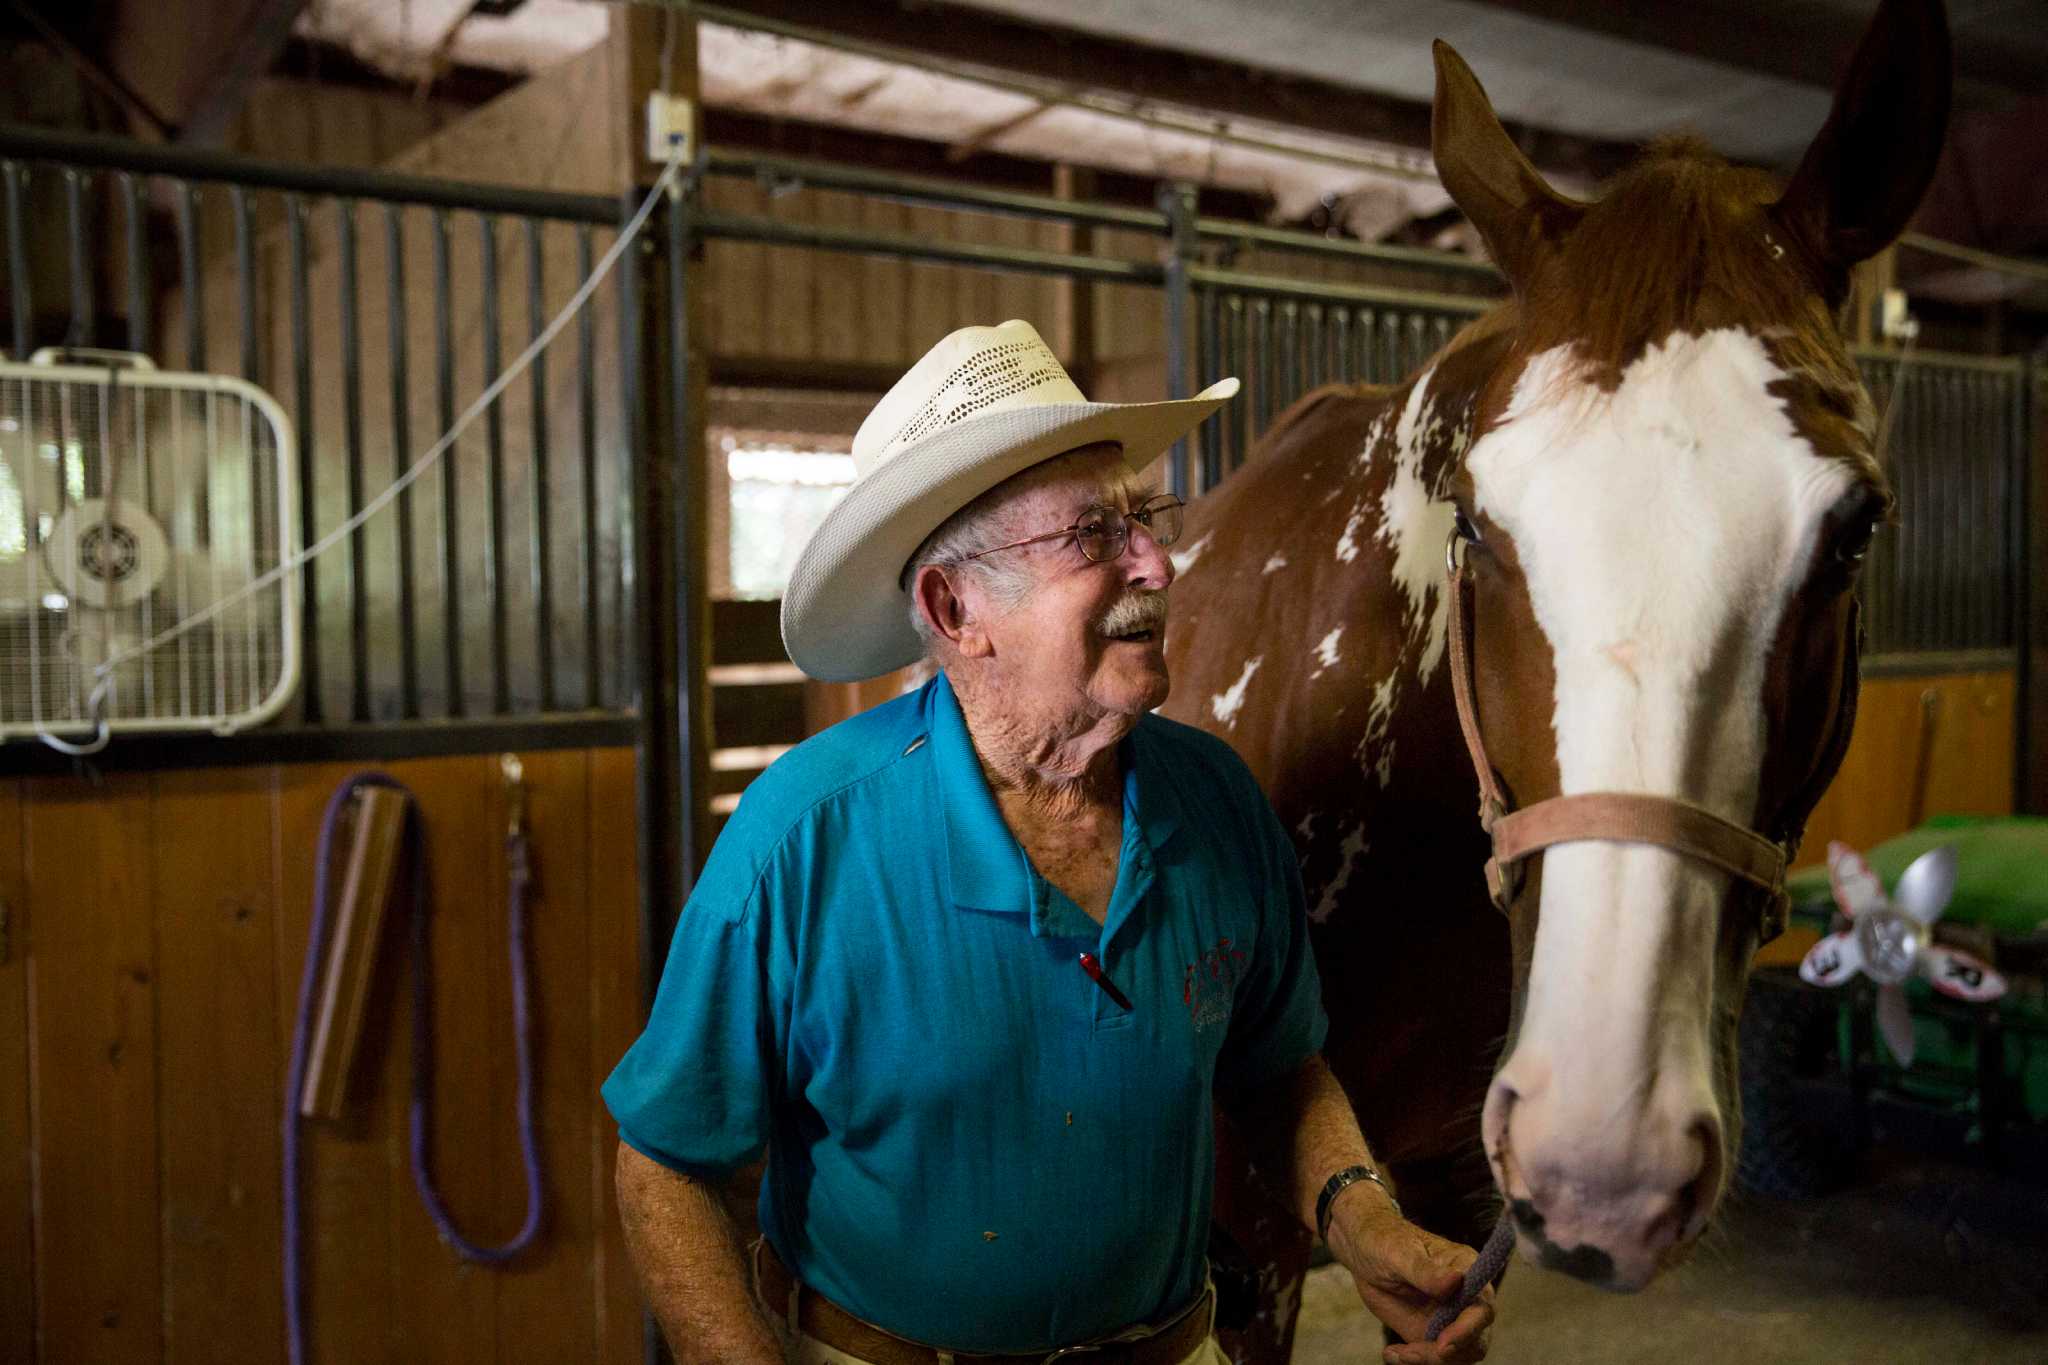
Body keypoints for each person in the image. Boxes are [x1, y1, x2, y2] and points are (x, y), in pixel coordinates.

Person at [603, 319, 1495, 1365]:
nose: (1158, 564)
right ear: (956, 605)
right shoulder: (802, 838)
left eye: (1143, 520)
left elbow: (1277, 1067)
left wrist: (1363, 1222)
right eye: (1090, 536)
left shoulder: (1212, 800)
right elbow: (663, 1165)